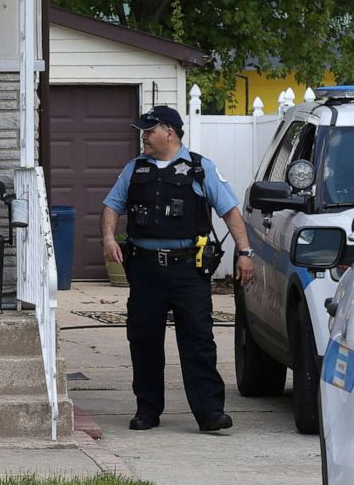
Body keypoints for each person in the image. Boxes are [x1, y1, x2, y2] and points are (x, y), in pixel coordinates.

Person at [100, 105, 255, 433]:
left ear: (169, 132)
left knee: (198, 340)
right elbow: (111, 205)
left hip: (188, 269)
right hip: (144, 269)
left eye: (149, 130)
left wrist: (245, 252)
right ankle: (147, 410)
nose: (143, 136)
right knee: (144, 340)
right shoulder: (134, 169)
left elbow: (229, 211)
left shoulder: (200, 168)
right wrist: (108, 238)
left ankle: (210, 413)